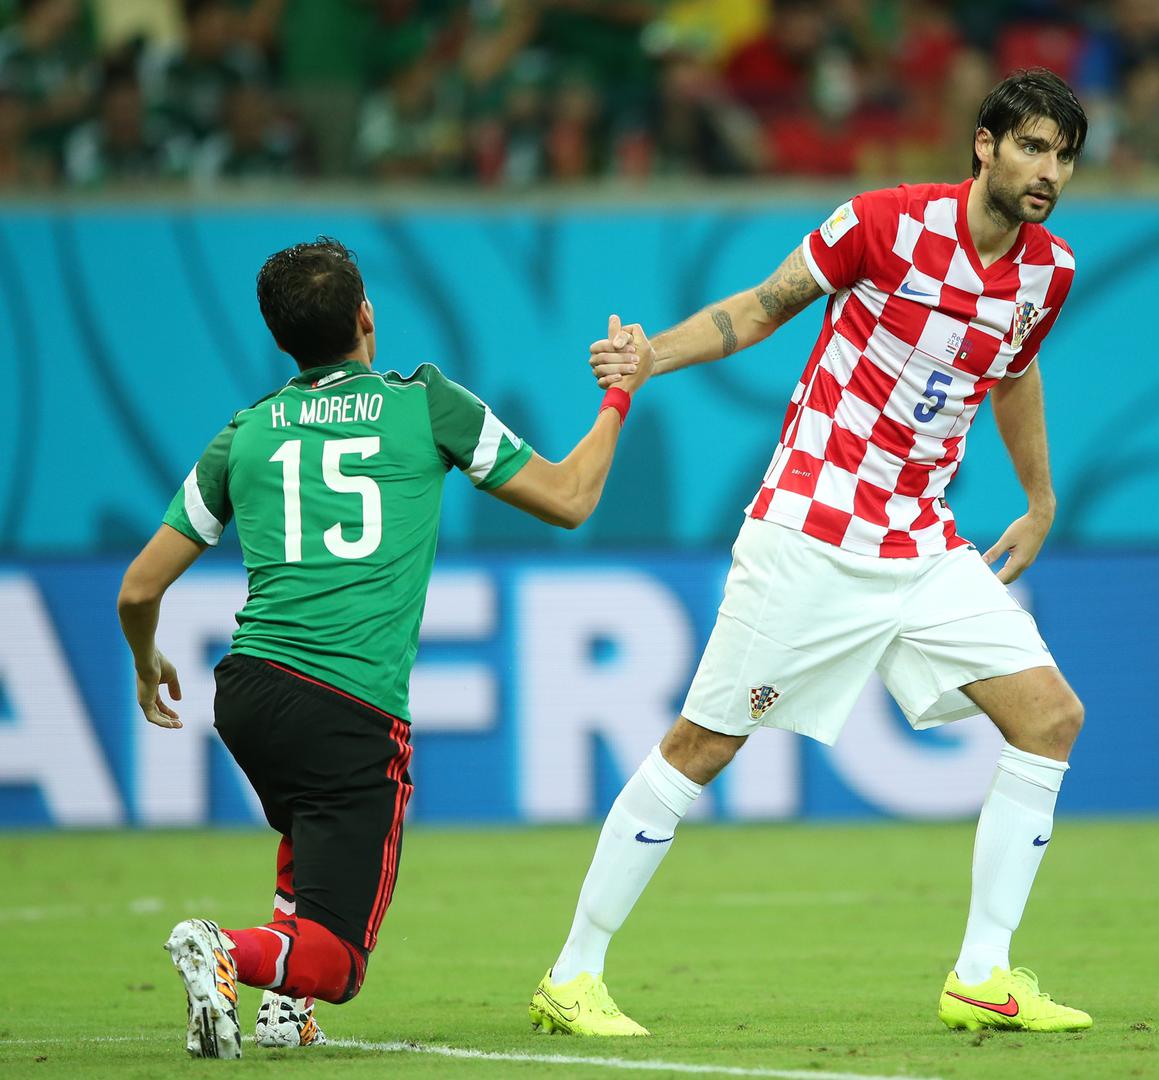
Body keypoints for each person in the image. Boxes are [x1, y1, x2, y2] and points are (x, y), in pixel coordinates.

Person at [531, 67, 1092, 1037]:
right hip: (812, 530)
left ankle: (981, 975)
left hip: (920, 539)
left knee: (1049, 719)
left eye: (1065, 157)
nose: (1049, 171)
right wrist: (651, 357)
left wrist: (1040, 501)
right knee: (702, 746)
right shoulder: (881, 223)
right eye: (1033, 147)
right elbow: (760, 307)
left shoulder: (1049, 272)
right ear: (984, 145)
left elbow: (1013, 372)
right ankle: (572, 973)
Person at [117, 237, 652, 1058]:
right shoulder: (426, 405)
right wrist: (619, 396)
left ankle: (285, 1010)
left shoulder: (244, 433)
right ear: (367, 315)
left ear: (281, 339)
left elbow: (137, 591)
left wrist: (146, 657)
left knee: (311, 823)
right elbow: (571, 498)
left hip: (248, 691)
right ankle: (226, 951)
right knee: (340, 957)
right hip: (348, 704)